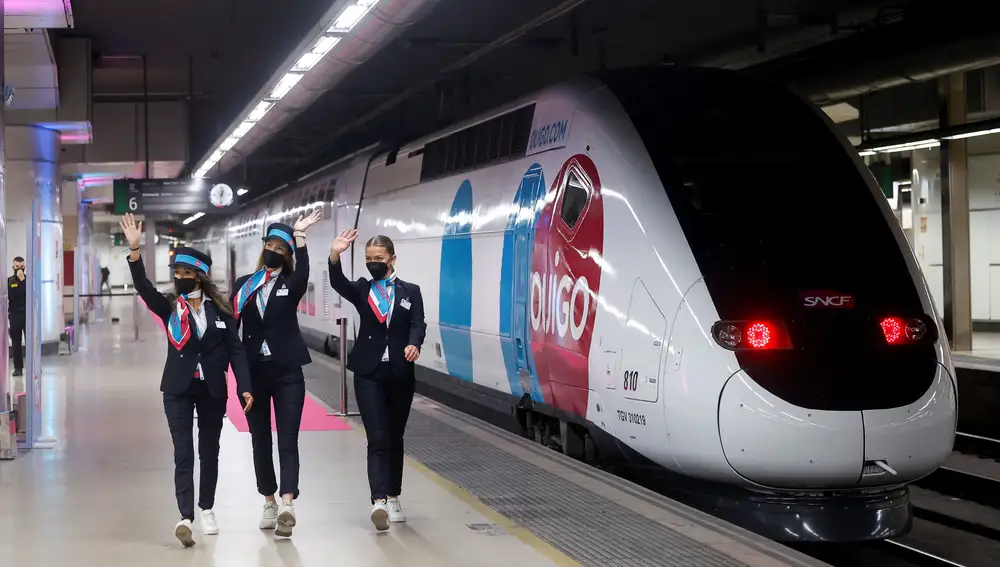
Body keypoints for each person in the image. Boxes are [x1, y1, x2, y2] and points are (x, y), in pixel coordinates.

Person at [119, 213, 254, 548]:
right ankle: (186, 516)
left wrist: (245, 386)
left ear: (200, 277)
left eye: (186, 274)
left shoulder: (221, 310)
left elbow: (236, 351)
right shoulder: (169, 307)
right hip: (177, 387)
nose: (180, 278)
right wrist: (135, 250)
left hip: (212, 388)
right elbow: (143, 287)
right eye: (176, 273)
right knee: (184, 452)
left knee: (209, 450)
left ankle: (207, 508)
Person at [327, 229, 426, 531]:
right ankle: (378, 500)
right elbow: (338, 282)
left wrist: (414, 343)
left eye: (379, 259)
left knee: (395, 436)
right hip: (368, 372)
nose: (373, 263)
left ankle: (394, 495)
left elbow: (417, 322)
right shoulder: (361, 289)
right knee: (377, 436)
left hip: (399, 372)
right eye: (369, 259)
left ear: (392, 259)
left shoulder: (411, 291)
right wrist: (335, 255)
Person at [231, 210, 321, 538]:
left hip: (287, 372)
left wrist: (301, 237)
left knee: (288, 437)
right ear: (263, 246)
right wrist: (240, 381)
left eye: (282, 249)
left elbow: (306, 269)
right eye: (271, 244)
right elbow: (232, 335)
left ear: (288, 255)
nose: (275, 251)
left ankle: (287, 503)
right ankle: (268, 499)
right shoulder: (245, 286)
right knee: (260, 439)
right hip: (255, 374)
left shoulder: (291, 284)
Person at [7, 257, 25, 377]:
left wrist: (22, 280)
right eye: (16, 267)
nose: (19, 269)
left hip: (27, 314)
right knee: (16, 342)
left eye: (21, 267)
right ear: (13, 267)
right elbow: (10, 295)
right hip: (14, 315)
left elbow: (28, 293)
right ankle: (18, 368)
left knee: (30, 342)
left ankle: (34, 366)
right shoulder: (9, 281)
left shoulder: (27, 280)